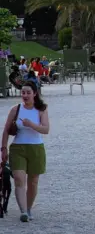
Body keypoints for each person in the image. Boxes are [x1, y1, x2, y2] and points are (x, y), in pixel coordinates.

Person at [1, 85, 50, 223]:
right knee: (18, 178)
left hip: (36, 148)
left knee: (33, 181)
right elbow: (6, 130)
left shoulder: (41, 109)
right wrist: (3, 148)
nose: (25, 95)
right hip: (18, 148)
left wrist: (31, 125)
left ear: (34, 93)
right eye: (23, 92)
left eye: (28, 92)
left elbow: (46, 129)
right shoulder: (15, 109)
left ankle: (28, 208)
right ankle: (23, 211)